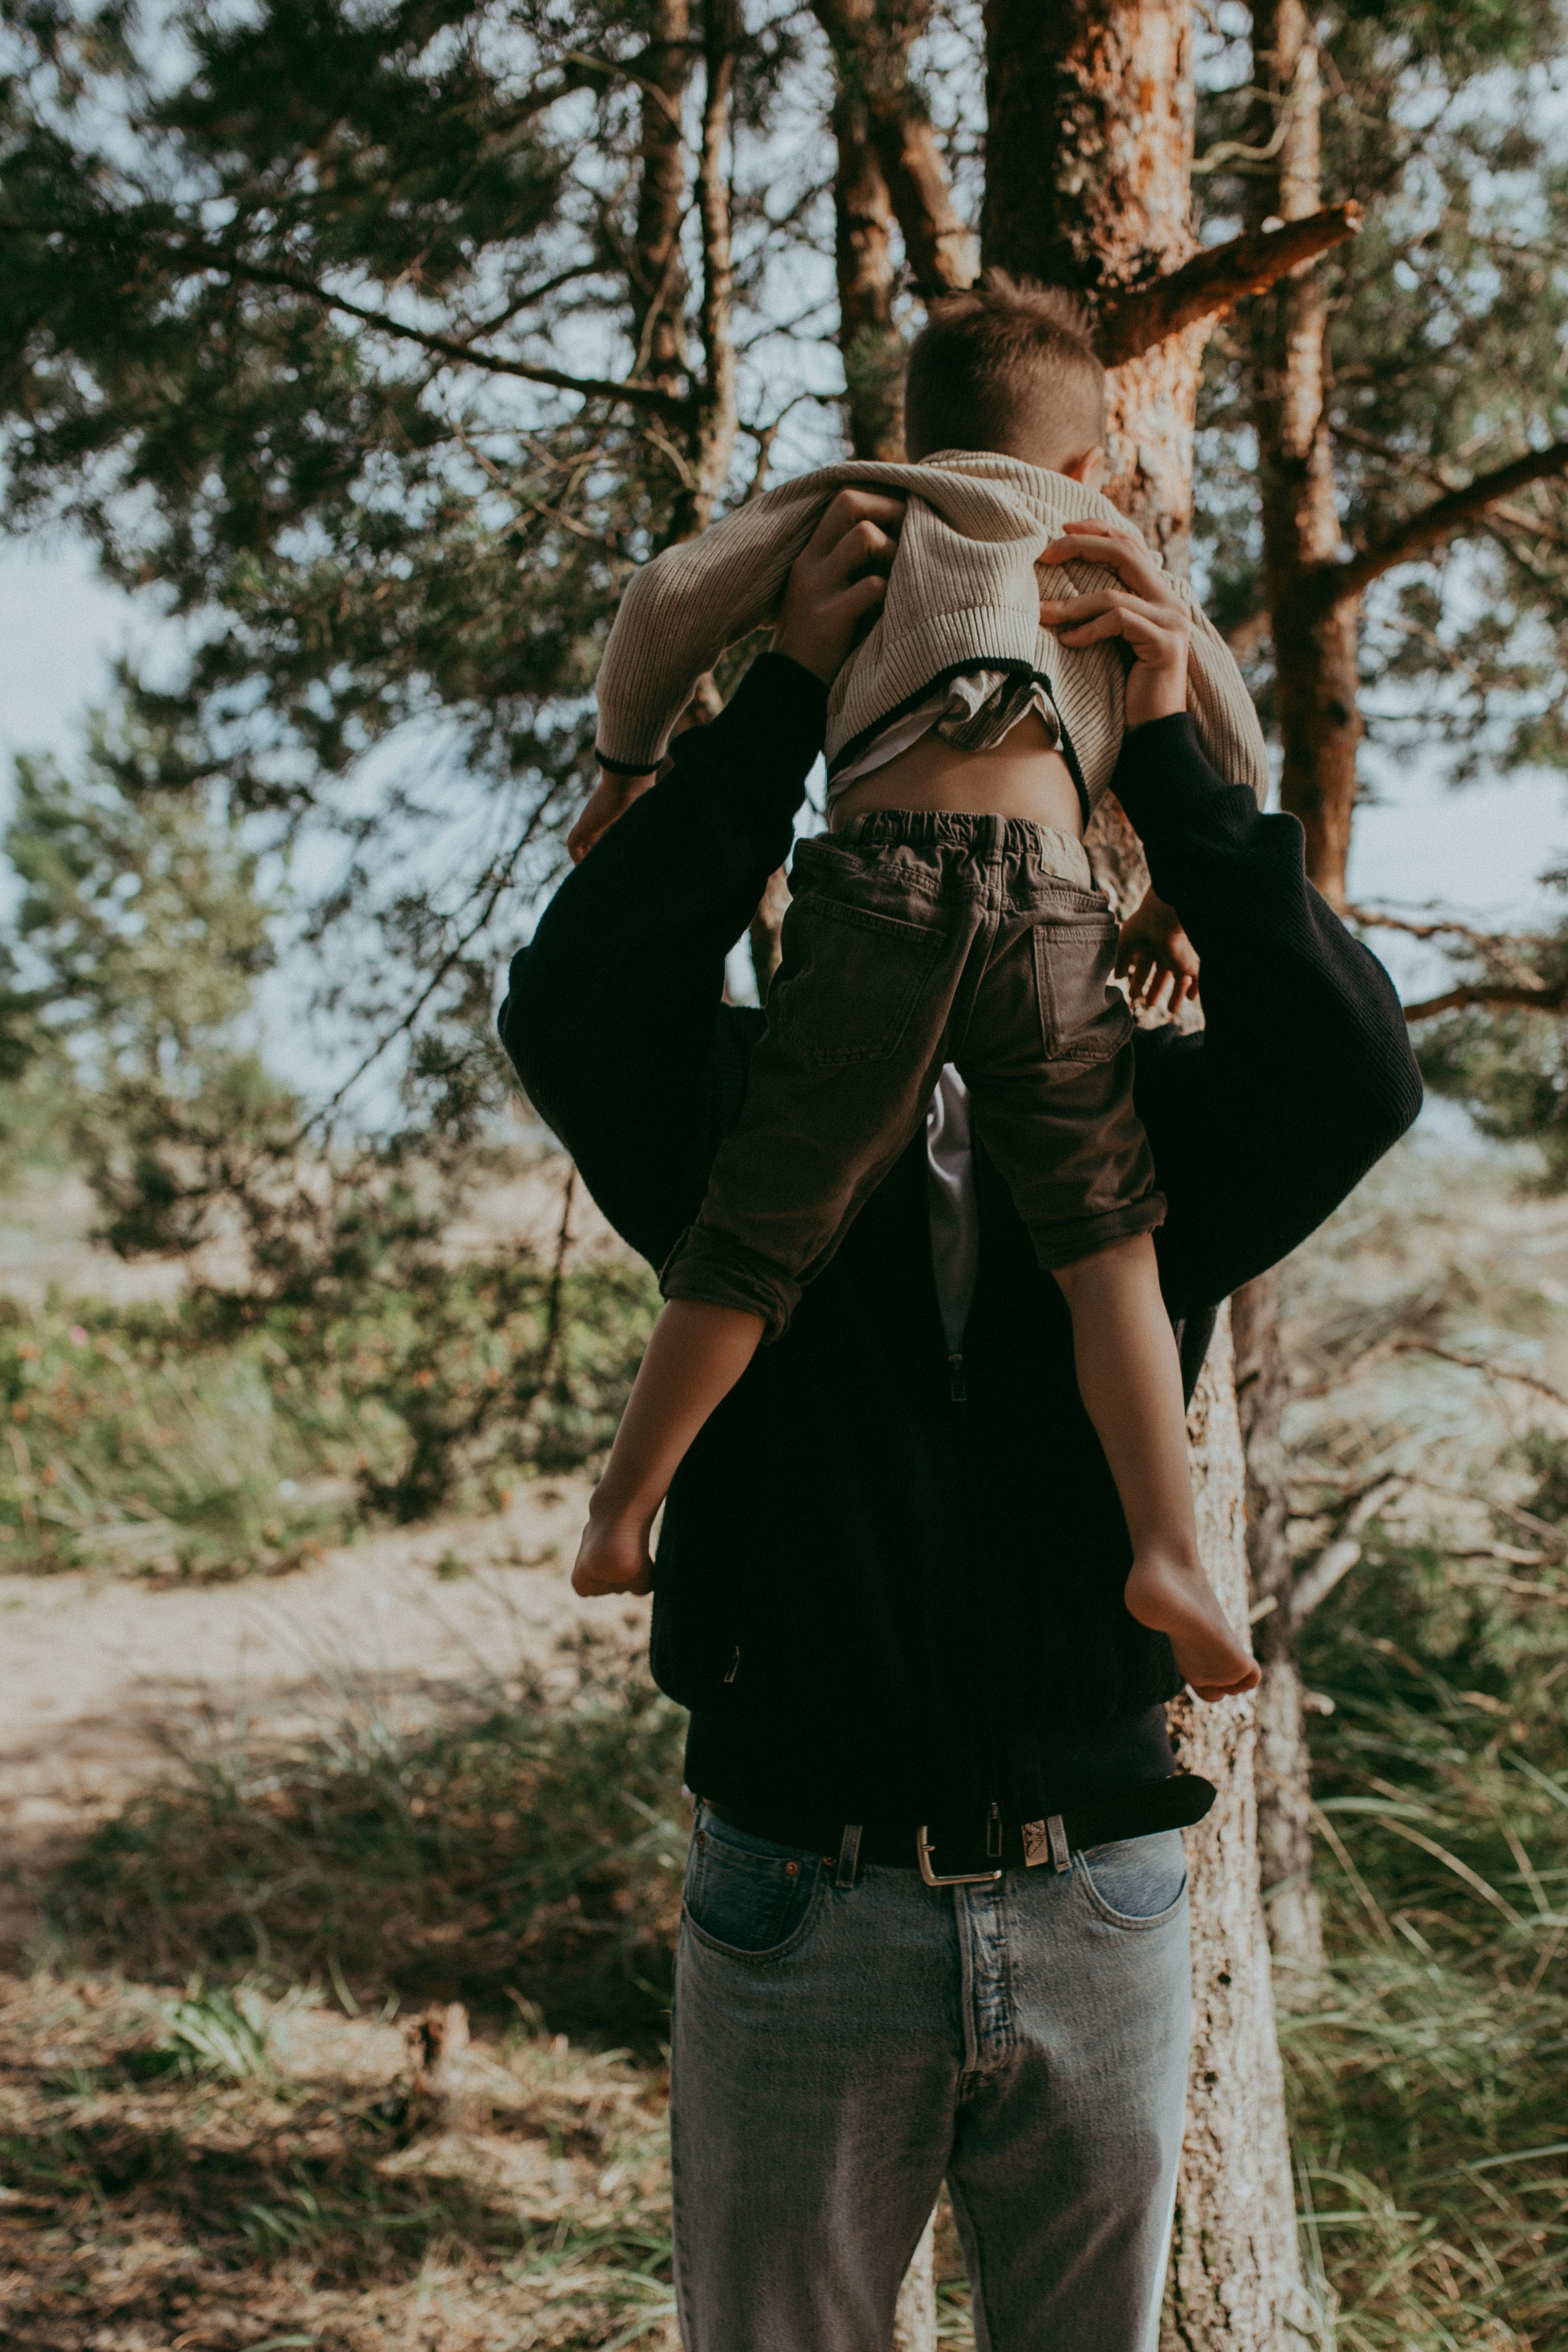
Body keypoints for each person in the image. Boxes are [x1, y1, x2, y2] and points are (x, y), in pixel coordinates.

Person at [499, 496, 1420, 2350]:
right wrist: (773, 712)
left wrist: (1170, 759)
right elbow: (574, 999)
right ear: (851, 813)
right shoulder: (734, 1108)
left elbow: (1357, 1074)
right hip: (799, 1898)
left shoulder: (1149, 1138)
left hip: (1100, 1889)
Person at [564, 278, 1267, 1702]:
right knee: (1101, 1234)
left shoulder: (869, 503)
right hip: (1050, 907)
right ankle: (1165, 1552)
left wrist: (624, 770)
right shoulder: (1096, 538)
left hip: (878, 885)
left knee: (761, 1217)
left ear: (915, 427)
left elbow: (664, 601)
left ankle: (622, 1509)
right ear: (1086, 461)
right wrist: (1173, 896)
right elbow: (1222, 722)